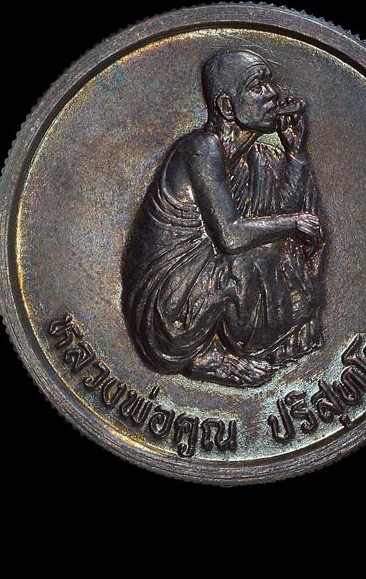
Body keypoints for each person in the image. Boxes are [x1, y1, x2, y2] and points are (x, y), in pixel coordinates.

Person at [122, 50, 326, 387]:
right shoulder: (202, 148)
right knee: (260, 255)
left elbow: (284, 217)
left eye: (269, 83)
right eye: (257, 87)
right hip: (169, 307)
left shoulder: (257, 158)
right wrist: (292, 223)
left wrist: (296, 154)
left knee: (283, 248)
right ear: (227, 107)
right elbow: (231, 236)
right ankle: (203, 355)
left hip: (209, 281)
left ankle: (266, 345)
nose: (273, 94)